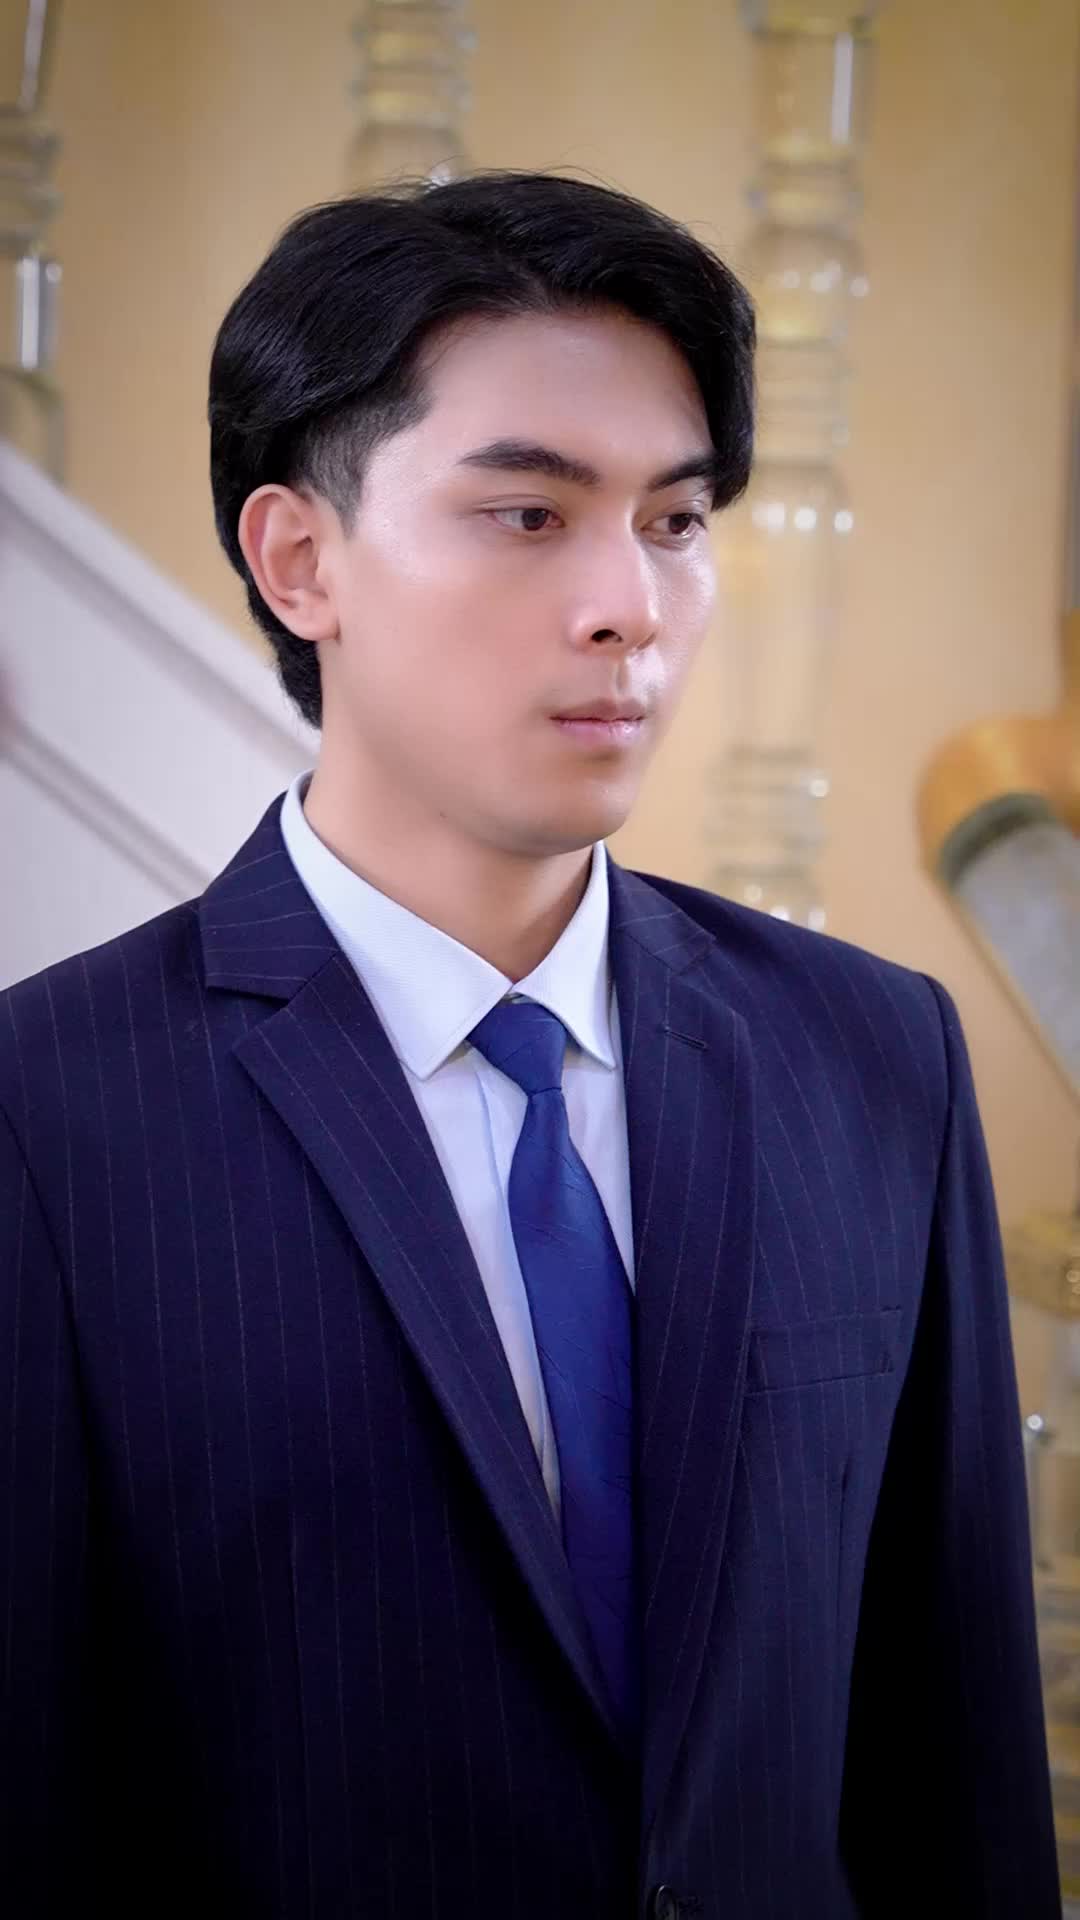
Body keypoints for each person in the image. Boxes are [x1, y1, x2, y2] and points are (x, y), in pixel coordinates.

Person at [0, 169, 1060, 1920]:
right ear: (299, 559)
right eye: (528, 514)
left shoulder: (880, 1061)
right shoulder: (51, 1110)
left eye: (676, 519)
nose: (628, 604)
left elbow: (956, 1783)